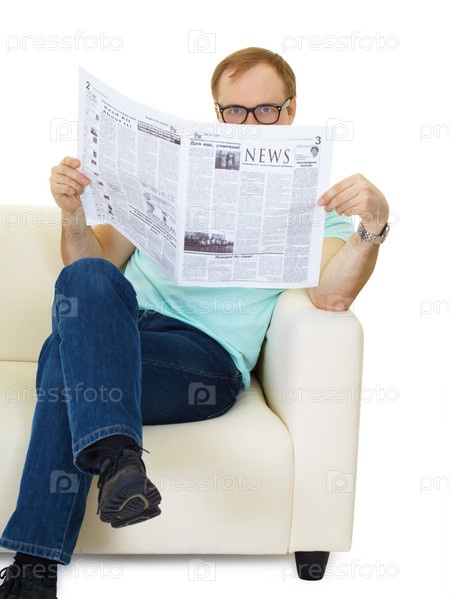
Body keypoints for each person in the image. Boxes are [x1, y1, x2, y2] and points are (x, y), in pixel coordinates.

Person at [0, 47, 389, 598]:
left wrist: (372, 225)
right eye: (234, 111)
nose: (248, 126)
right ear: (216, 112)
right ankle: (119, 463)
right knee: (85, 277)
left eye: (265, 111)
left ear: (291, 111)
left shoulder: (317, 210)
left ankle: (35, 569)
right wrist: (72, 216)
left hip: (204, 360)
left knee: (60, 359)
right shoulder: (170, 179)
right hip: (122, 330)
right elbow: (90, 265)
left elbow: (332, 296)